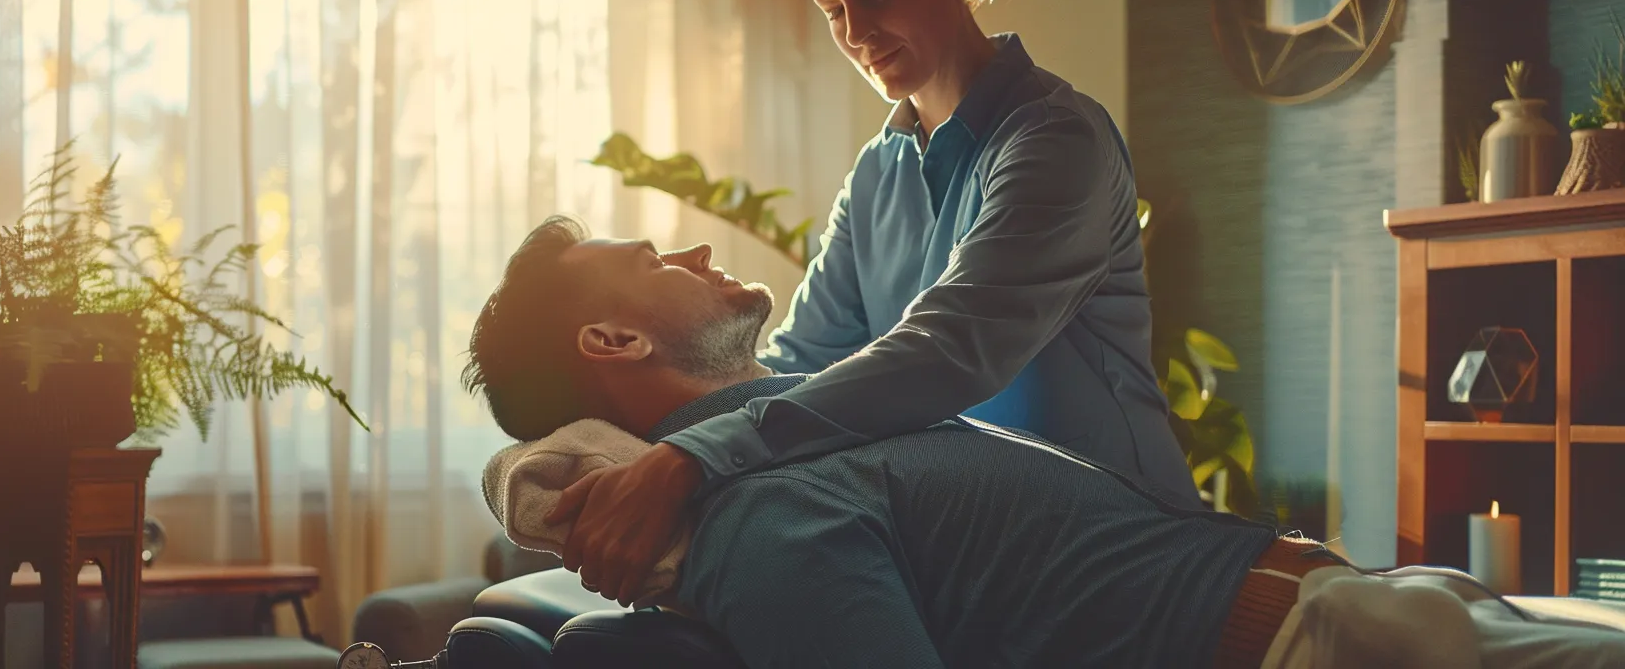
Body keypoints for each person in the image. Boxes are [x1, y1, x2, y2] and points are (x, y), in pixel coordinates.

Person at [465, 219, 1625, 668]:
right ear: (611, 335)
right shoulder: (760, 516)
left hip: (1384, 607)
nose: (695, 251)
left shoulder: (808, 425)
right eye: (653, 259)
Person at [544, 0, 1200, 605]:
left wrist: (695, 457)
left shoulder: (1056, 139)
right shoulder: (878, 172)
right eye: (832, 7)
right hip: (996, 563)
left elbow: (950, 352)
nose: (856, 33)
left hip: (1135, 551)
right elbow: (794, 365)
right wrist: (578, 453)